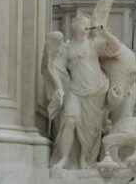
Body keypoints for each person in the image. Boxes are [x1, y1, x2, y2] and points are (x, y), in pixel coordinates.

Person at [49, 12, 122, 169]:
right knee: (69, 120)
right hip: (75, 90)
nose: (86, 27)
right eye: (83, 23)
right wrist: (59, 88)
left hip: (95, 91)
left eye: (88, 25)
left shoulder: (94, 44)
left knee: (90, 130)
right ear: (74, 25)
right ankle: (64, 158)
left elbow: (115, 48)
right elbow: (57, 69)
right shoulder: (66, 47)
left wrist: (106, 34)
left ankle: (84, 159)